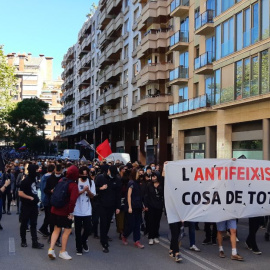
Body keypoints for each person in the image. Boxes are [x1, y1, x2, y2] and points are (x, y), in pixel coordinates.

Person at [48, 165, 79, 260]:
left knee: (56, 229)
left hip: (54, 209)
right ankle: (63, 251)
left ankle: (51, 249)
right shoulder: (73, 185)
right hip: (64, 211)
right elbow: (73, 200)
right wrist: (70, 212)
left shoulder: (61, 180)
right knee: (67, 230)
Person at [95, 165, 121, 253]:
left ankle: (104, 235)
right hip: (102, 204)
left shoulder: (116, 179)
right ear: (108, 171)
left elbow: (118, 194)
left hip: (112, 205)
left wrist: (118, 207)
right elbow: (94, 189)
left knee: (108, 222)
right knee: (103, 222)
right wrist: (100, 188)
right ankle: (104, 242)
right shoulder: (100, 178)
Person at [19, 164, 44, 249]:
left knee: (33, 224)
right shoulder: (25, 181)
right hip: (26, 206)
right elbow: (20, 193)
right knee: (24, 224)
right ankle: (23, 241)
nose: (38, 172)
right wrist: (29, 197)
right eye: (36, 170)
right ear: (32, 171)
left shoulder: (34, 179)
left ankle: (35, 242)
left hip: (34, 206)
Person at [73, 166, 96, 255]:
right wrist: (83, 191)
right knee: (78, 230)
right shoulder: (75, 182)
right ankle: (79, 248)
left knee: (88, 228)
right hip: (77, 209)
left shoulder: (91, 182)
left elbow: (92, 196)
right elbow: (74, 195)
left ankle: (83, 241)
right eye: (82, 174)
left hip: (87, 209)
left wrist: (88, 191)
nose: (84, 176)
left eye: (86, 174)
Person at [122, 169, 144, 249]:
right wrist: (130, 207)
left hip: (138, 206)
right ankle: (124, 235)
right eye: (138, 173)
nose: (140, 174)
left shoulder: (138, 183)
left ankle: (137, 240)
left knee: (137, 224)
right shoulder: (131, 183)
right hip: (132, 207)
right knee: (131, 224)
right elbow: (129, 196)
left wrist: (142, 205)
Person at [144, 172, 163, 245]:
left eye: (155, 177)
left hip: (159, 206)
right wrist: (146, 206)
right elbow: (146, 195)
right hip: (151, 206)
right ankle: (150, 237)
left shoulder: (161, 185)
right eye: (152, 177)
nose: (153, 178)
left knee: (157, 222)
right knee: (151, 221)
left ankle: (155, 236)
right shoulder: (149, 185)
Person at [38, 164, 55, 237]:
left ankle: (44, 229)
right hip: (47, 199)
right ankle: (43, 228)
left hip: (45, 198)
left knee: (48, 216)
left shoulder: (44, 176)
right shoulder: (48, 177)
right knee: (49, 216)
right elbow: (45, 189)